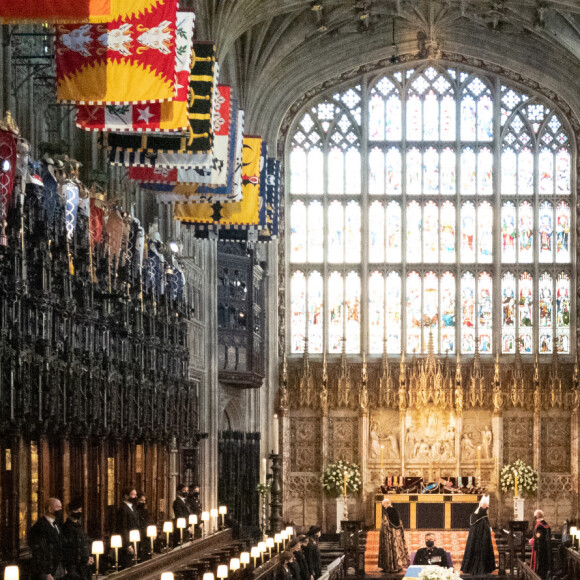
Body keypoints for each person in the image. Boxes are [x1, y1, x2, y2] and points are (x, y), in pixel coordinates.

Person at [28, 498, 66, 580]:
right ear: (50, 509)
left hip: (58, 567)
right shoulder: (40, 526)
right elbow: (39, 552)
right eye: (58, 507)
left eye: (61, 507)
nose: (60, 510)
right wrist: (44, 573)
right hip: (48, 571)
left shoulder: (56, 523)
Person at [461, 495, 496, 575]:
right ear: (482, 505)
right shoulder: (480, 516)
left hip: (483, 539)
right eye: (485, 505)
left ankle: (484, 568)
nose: (486, 506)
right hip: (478, 539)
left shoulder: (481, 515)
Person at [62, 499, 93, 580]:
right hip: (75, 567)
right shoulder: (67, 528)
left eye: (80, 510)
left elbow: (84, 543)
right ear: (69, 512)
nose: (79, 512)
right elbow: (71, 548)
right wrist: (85, 560)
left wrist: (89, 556)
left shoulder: (79, 526)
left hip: (85, 566)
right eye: (76, 510)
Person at [378, 497, 409, 573]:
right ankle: (398, 566)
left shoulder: (387, 512)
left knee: (390, 549)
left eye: (383, 505)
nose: (383, 507)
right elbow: (400, 523)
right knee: (397, 549)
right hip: (397, 534)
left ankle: (390, 567)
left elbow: (385, 524)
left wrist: (382, 532)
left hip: (389, 535)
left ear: (386, 504)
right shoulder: (395, 510)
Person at [117, 486, 140, 568]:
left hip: (135, 539)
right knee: (127, 565)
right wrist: (128, 545)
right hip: (128, 542)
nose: (135, 497)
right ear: (126, 496)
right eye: (133, 495)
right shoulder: (123, 509)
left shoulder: (133, 507)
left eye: (135, 495)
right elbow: (123, 528)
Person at [530, 509, 551, 579]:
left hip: (539, 551)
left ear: (537, 516)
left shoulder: (539, 526)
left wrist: (532, 541)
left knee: (539, 568)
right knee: (544, 567)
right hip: (546, 550)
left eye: (535, 516)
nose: (534, 518)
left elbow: (539, 539)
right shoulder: (546, 524)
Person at [136, 494, 152, 560]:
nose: (143, 502)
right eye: (141, 500)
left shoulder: (146, 511)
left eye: (144, 500)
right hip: (139, 534)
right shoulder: (135, 511)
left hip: (146, 534)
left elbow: (149, 522)